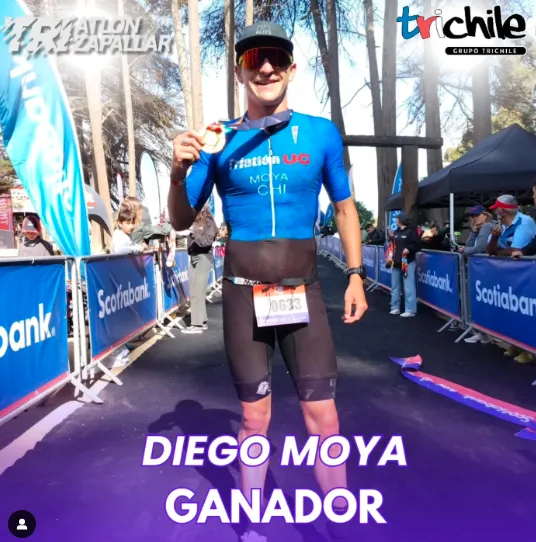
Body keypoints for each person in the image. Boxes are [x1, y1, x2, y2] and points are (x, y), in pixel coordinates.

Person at [167, 21, 367, 541]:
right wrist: (175, 172)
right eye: (254, 59)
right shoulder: (218, 138)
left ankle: (340, 528)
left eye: (277, 58)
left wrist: (355, 275)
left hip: (303, 290)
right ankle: (253, 524)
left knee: (325, 419)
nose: (266, 68)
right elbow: (181, 220)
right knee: (255, 420)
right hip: (243, 295)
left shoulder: (320, 133)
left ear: (292, 69)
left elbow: (345, 209)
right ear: (240, 71)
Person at [182, 205, 218, 333]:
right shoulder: (193, 222)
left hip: (204, 257)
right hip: (193, 256)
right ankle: (202, 321)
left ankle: (196, 325)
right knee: (194, 291)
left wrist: (192, 233)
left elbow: (206, 242)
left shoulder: (209, 222)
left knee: (198, 291)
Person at [387, 212, 419, 317]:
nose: (395, 220)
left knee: (408, 287)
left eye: (397, 218)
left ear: (401, 220)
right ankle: (395, 307)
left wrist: (409, 249)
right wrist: (391, 237)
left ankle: (410, 309)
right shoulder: (396, 231)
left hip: (407, 262)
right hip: (396, 262)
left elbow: (417, 245)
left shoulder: (411, 232)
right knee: (395, 286)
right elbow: (393, 245)